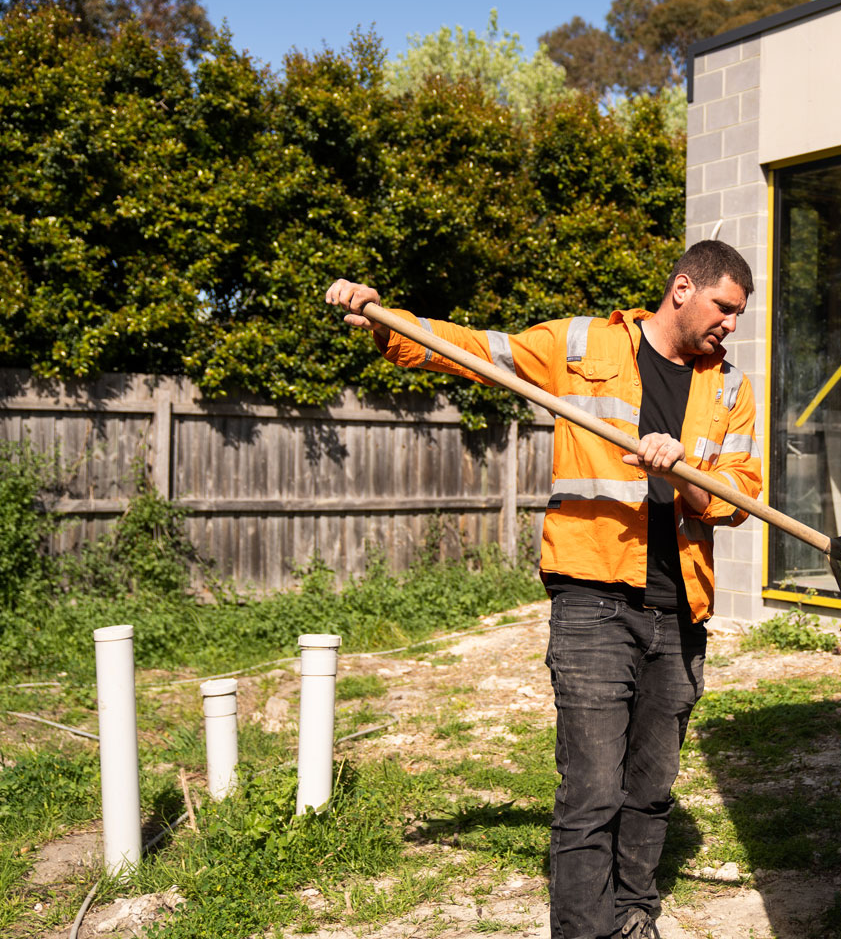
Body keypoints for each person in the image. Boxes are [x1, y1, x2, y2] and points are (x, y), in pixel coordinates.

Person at [324, 239, 762, 939]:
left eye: (738, 315)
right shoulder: (580, 343)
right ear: (683, 288)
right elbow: (474, 351)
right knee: (591, 789)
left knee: (650, 791)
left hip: (680, 610)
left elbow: (740, 495)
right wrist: (384, 319)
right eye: (725, 309)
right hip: (593, 600)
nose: (730, 326)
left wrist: (680, 473)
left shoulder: (731, 388)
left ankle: (632, 916)